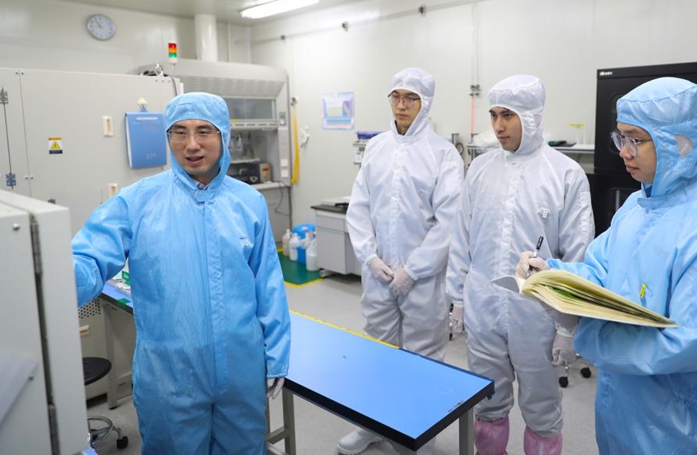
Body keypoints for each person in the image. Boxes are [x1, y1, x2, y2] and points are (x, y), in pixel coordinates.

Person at [517, 77, 697, 454]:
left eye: (636, 139)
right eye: (620, 138)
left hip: (683, 432)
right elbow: (601, 271)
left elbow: (686, 343)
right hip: (620, 412)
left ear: (680, 143)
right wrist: (552, 276)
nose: (624, 151)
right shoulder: (638, 208)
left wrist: (584, 332)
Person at [72, 92, 291, 454]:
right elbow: (89, 256)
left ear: (223, 135)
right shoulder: (138, 201)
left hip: (241, 368)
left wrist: (276, 354)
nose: (192, 145)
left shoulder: (248, 202)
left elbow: (267, 283)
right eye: (179, 132)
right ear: (168, 137)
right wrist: (49, 277)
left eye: (204, 131)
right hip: (170, 376)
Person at [447, 74, 595, 455]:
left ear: (530, 116)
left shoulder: (564, 174)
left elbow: (578, 254)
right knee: (487, 399)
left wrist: (567, 326)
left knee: (541, 406)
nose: (498, 126)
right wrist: (458, 298)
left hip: (538, 313)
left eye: (508, 115)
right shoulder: (480, 169)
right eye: (494, 115)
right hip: (483, 304)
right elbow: (461, 236)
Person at [339, 67, 464, 455]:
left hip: (423, 280)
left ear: (425, 103)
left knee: (422, 357)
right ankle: (373, 425)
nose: (402, 105)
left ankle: (415, 433)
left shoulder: (443, 154)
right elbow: (359, 207)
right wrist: (370, 258)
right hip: (379, 274)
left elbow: (449, 222)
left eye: (411, 98)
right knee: (378, 350)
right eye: (396, 96)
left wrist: (415, 269)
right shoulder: (376, 147)